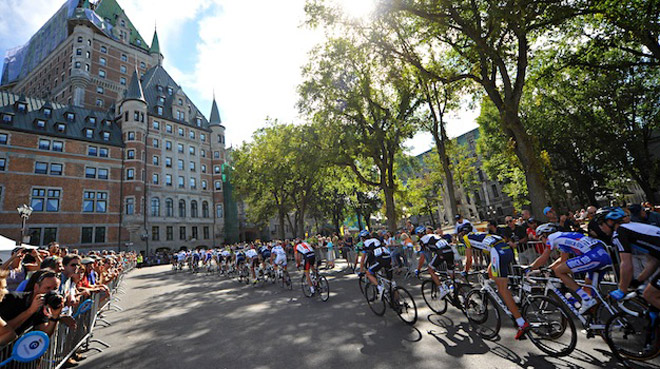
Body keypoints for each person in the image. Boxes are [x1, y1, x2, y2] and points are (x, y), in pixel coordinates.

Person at [460, 223, 529, 340]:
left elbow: (469, 259)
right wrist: (488, 271)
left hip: (497, 253)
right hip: (506, 250)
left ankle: (521, 323)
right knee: (496, 278)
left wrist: (465, 272)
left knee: (502, 289)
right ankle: (513, 299)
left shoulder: (466, 238)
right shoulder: (481, 234)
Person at [527, 224, 612, 314]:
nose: (542, 242)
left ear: (544, 234)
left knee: (559, 271)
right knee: (588, 287)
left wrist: (529, 268)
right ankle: (593, 322)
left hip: (593, 256)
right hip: (602, 255)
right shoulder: (562, 237)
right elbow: (562, 260)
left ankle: (586, 298)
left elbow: (543, 258)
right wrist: (548, 269)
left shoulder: (551, 237)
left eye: (541, 239)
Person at [599, 208, 660, 311]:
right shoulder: (633, 228)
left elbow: (626, 263)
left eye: (601, 223)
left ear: (610, 222)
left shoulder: (619, 232)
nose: (600, 228)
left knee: (650, 295)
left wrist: (622, 289)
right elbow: (654, 261)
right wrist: (638, 280)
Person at [415, 226, 455, 299]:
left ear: (418, 234)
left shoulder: (422, 241)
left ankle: (442, 289)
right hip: (450, 251)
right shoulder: (434, 235)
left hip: (441, 252)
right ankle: (459, 289)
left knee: (430, 269)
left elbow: (422, 257)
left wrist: (418, 269)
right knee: (451, 273)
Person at [360, 230, 392, 300]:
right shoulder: (375, 240)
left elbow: (363, 259)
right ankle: (396, 301)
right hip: (388, 257)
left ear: (362, 238)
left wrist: (361, 270)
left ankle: (380, 288)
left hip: (380, 259)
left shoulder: (365, 243)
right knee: (390, 282)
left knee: (368, 273)